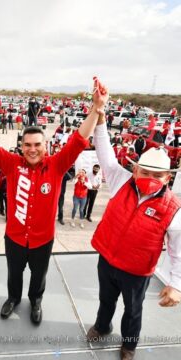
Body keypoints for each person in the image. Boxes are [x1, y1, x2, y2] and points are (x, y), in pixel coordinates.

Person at [0, 77, 109, 325]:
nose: (32, 149)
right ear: (21, 146)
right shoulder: (11, 164)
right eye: (27, 145)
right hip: (14, 237)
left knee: (39, 277)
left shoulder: (57, 165)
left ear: (45, 145)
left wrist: (96, 108)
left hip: (43, 239)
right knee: (13, 274)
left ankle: (35, 301)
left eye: (37, 144)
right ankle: (13, 298)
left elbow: (79, 140)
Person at [87, 113, 181, 360]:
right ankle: (102, 326)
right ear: (135, 169)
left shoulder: (173, 208)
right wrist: (100, 116)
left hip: (137, 273)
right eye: (145, 172)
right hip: (107, 260)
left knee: (133, 310)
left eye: (157, 175)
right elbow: (104, 151)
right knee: (105, 300)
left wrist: (176, 285)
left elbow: (178, 250)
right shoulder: (121, 180)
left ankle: (129, 346)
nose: (150, 179)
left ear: (168, 178)